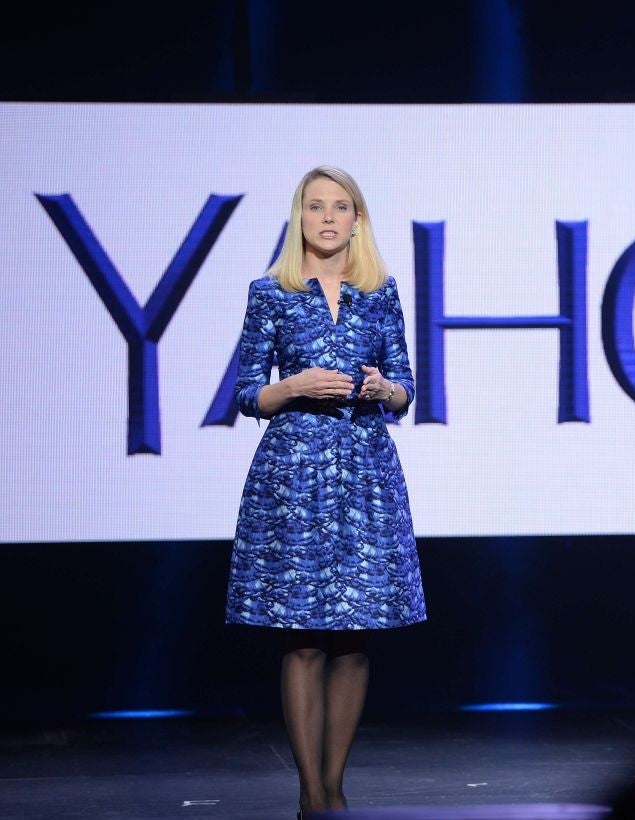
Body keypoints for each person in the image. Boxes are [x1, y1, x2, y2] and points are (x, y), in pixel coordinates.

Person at [225, 166, 427, 818]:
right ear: (300, 217)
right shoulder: (271, 293)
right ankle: (309, 792)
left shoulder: (381, 293)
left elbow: (405, 386)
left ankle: (333, 790)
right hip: (293, 475)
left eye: (342, 207)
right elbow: (245, 391)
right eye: (317, 207)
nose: (329, 218)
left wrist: (381, 389)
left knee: (354, 638)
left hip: (364, 472)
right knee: (303, 638)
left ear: (357, 219)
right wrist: (294, 386)